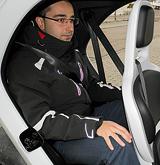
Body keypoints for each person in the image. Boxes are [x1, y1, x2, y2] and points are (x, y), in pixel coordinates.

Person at [7, 0, 140, 164]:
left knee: (135, 108)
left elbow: (90, 86)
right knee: (118, 147)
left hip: (87, 115)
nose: (69, 28)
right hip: (61, 138)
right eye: (61, 20)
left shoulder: (70, 51)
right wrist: (95, 127)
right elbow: (41, 122)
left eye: (71, 20)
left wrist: (127, 93)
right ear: (41, 22)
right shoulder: (24, 65)